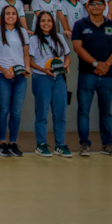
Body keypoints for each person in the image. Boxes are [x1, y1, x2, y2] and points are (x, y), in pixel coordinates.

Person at [71, 0, 112, 157]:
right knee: (84, 111)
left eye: (100, 3)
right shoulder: (80, 25)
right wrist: (96, 64)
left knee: (106, 112)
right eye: (92, 4)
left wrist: (105, 65)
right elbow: (78, 48)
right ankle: (84, 144)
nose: (96, 6)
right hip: (88, 75)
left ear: (104, 6)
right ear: (87, 7)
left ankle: (107, 145)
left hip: (107, 76)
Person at [29, 11, 72, 158]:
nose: (46, 23)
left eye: (49, 20)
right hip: (42, 78)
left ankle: (60, 144)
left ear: (53, 23)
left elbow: (67, 55)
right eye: (43, 21)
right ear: (38, 24)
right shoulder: (34, 39)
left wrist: (66, 65)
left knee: (60, 112)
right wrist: (42, 69)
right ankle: (41, 144)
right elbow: (29, 61)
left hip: (59, 78)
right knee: (42, 113)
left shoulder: (59, 37)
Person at [0, 5, 31, 157]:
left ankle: (13, 143)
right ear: (2, 16)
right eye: (7, 13)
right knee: (3, 110)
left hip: (20, 76)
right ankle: (2, 143)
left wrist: (27, 68)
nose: (10, 16)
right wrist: (3, 70)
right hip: (2, 76)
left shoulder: (23, 33)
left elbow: (26, 54)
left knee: (16, 112)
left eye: (13, 13)